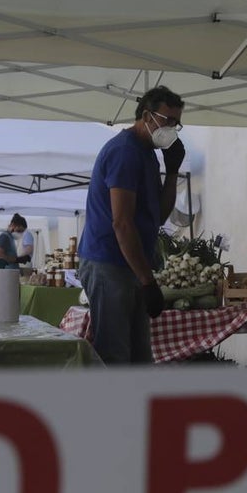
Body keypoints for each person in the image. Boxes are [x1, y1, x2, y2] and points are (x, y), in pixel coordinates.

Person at [77, 85, 185, 364]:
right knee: (115, 353)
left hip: (131, 264)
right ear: (147, 116)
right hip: (109, 263)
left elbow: (156, 216)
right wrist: (148, 281)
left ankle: (134, 405)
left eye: (176, 123)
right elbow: (122, 223)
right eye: (167, 120)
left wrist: (172, 173)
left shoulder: (147, 153)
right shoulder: (125, 152)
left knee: (139, 356)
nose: (172, 128)